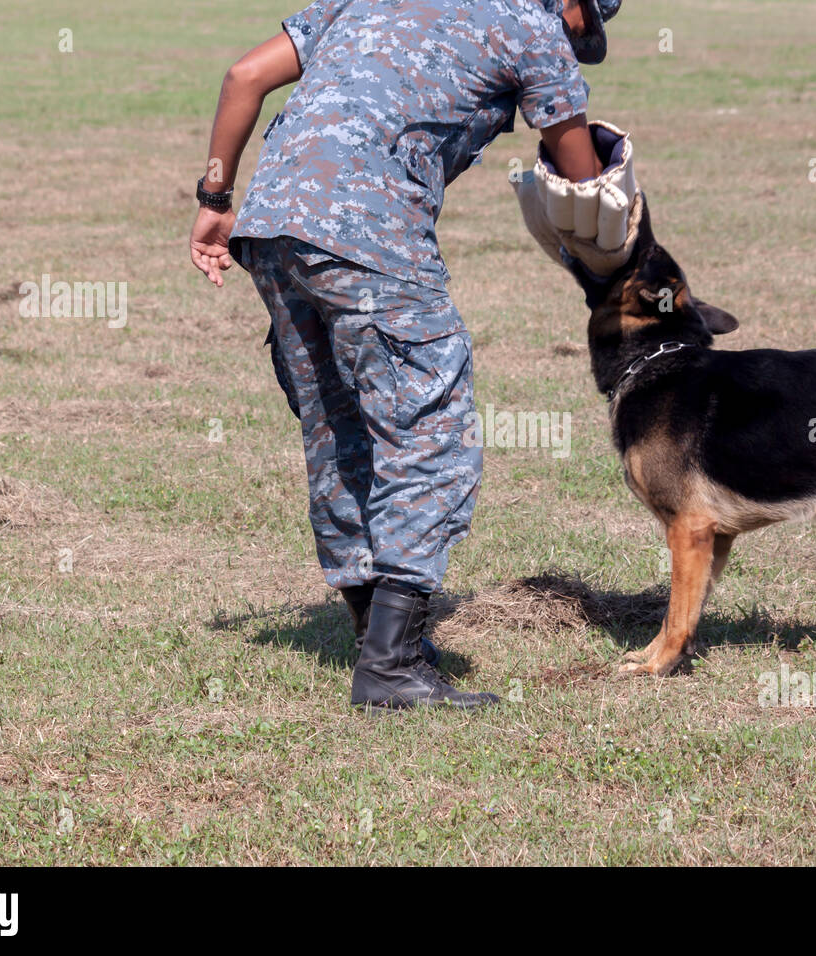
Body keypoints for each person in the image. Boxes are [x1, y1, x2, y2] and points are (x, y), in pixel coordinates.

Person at [189, 0, 626, 711]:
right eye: (586, 24)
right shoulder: (533, 27)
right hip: (367, 228)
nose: (578, 38)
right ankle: (390, 666)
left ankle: (377, 636)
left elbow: (244, 76)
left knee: (338, 426)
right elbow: (583, 181)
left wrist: (214, 195)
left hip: (271, 223)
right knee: (430, 431)